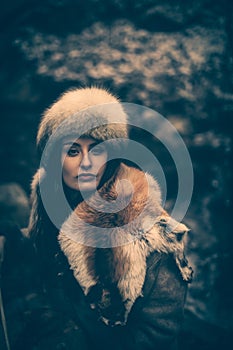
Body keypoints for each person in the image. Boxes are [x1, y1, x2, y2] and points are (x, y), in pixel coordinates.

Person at [0, 87, 193, 350]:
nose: (87, 163)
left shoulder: (151, 232)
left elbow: (158, 330)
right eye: (73, 151)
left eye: (98, 149)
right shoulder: (49, 200)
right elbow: (37, 262)